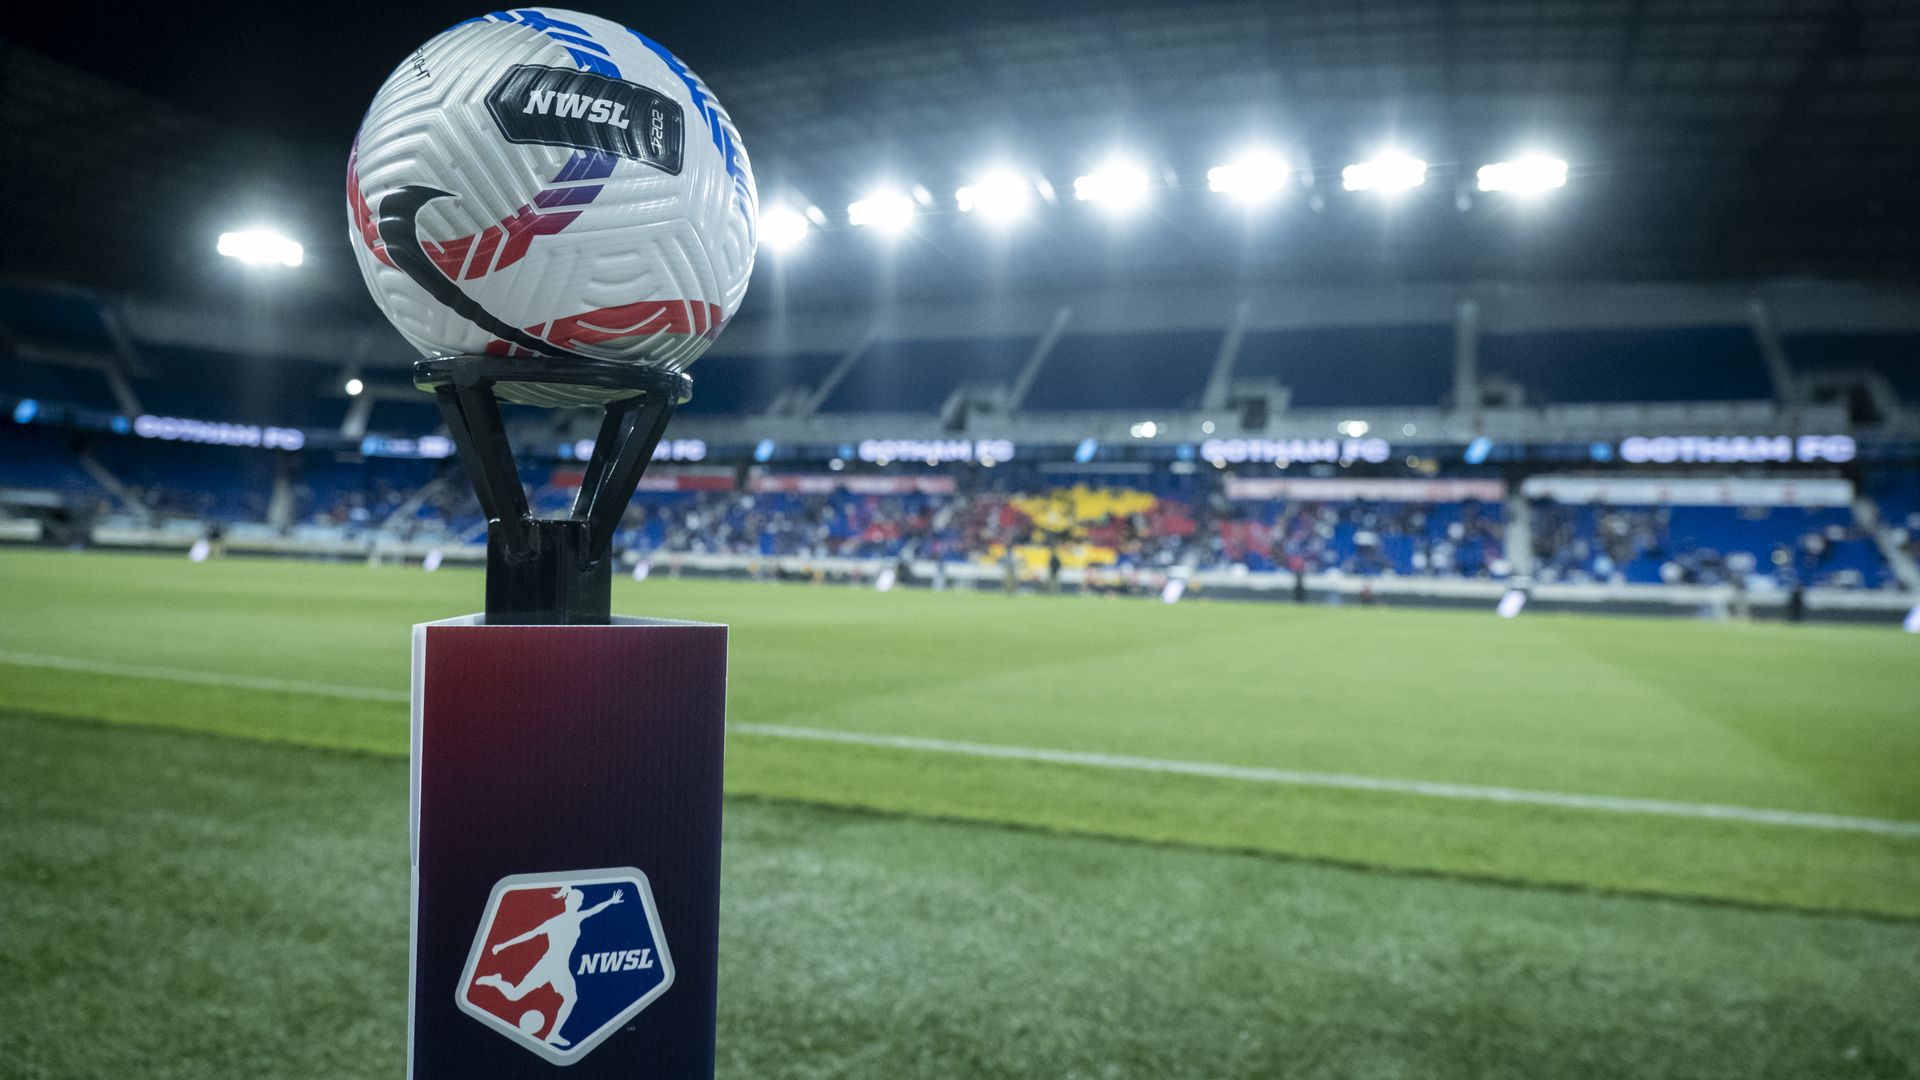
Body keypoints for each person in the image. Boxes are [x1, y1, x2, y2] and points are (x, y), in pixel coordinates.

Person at [475, 886, 624, 1047]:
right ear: (567, 902)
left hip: (561, 968)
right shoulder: (554, 921)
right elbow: (530, 935)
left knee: (571, 998)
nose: (576, 903)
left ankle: (553, 1035)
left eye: (579, 900)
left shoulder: (578, 917)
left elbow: (595, 910)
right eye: (573, 900)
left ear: (580, 903)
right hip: (547, 965)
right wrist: (503, 945)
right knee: (514, 996)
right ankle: (496, 981)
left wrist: (611, 901)